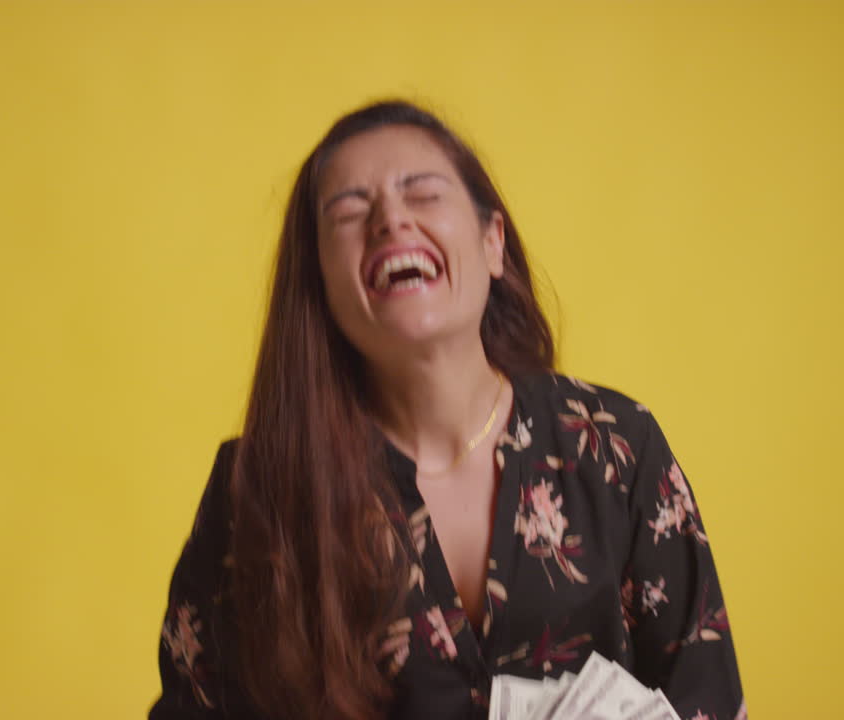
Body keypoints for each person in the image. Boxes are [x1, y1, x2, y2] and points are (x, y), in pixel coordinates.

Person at [148, 100, 746, 720]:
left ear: (492, 243)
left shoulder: (615, 446)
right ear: (319, 280)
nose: (390, 220)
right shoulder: (256, 488)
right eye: (349, 210)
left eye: (424, 194)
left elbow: (709, 699)